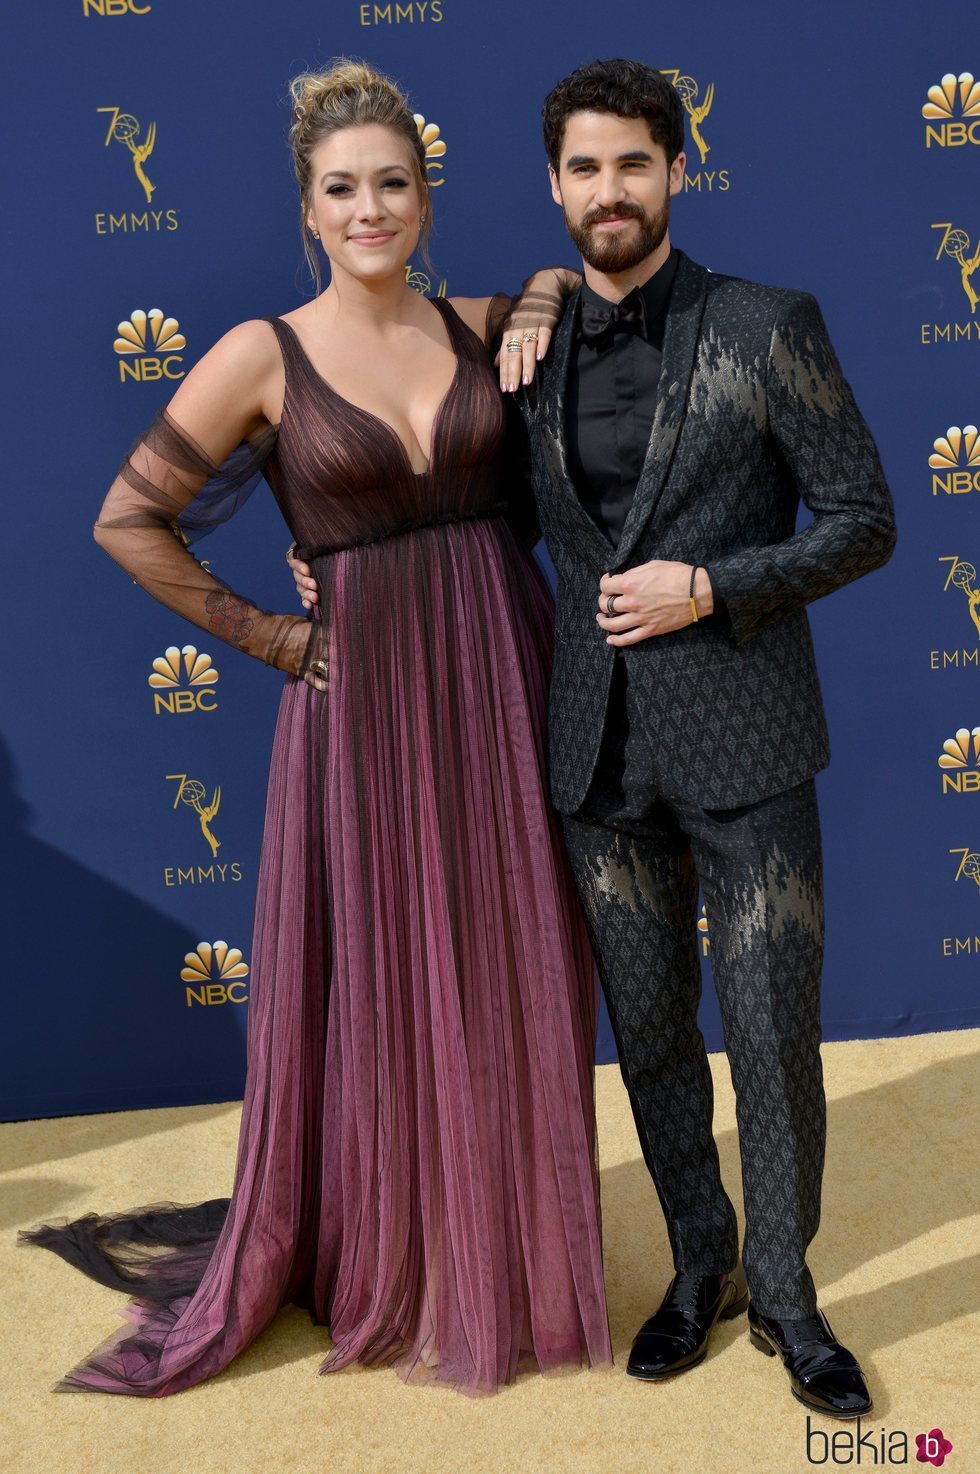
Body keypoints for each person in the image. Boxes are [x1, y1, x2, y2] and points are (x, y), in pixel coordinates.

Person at [294, 59, 901, 1421]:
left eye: (634, 163)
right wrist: (317, 551)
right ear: (553, 185)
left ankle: (789, 1299)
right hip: (590, 755)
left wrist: (718, 582)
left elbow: (865, 517)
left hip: (747, 745)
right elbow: (430, 481)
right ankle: (702, 1269)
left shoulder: (766, 322)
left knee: (770, 1030)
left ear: (677, 168)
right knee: (649, 1035)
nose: (609, 191)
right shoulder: (520, 341)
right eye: (583, 168)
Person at [18, 60, 613, 1396]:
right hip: (366, 706)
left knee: (514, 956)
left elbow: (563, 298)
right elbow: (128, 517)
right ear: (307, 208)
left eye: (391, 183)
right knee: (391, 974)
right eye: (342, 188)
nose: (369, 208)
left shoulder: (478, 322)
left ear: (425, 194)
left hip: (506, 679)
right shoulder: (259, 355)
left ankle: (507, 1248)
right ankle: (403, 1253)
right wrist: (282, 636)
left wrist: (555, 290)